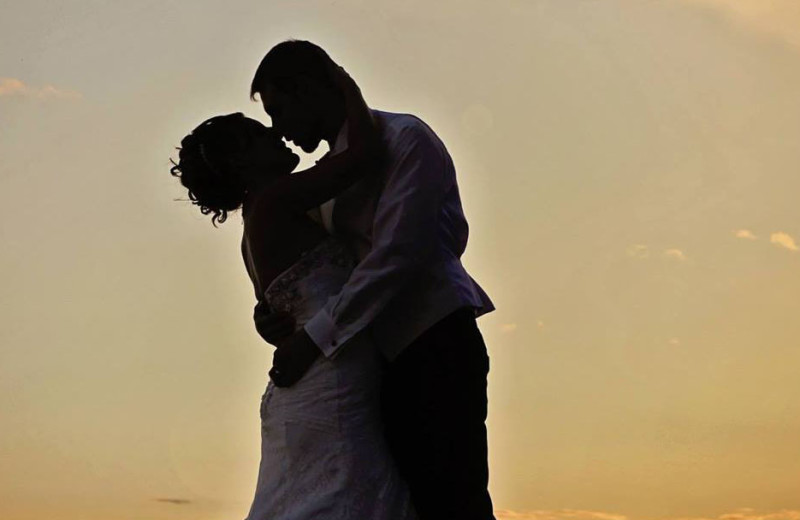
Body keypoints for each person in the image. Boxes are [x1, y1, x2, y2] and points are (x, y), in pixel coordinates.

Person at [250, 40, 497, 520]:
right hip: (367, 366)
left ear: (306, 89)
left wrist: (313, 340)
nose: (277, 129)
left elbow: (398, 256)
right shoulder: (324, 178)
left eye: (279, 110)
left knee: (453, 500)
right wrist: (276, 309)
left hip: (434, 341)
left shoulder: (406, 139)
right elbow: (318, 266)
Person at [170, 65, 417, 520]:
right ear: (243, 161)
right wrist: (342, 83)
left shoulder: (262, 217)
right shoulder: (276, 200)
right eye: (258, 133)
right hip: (329, 377)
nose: (275, 134)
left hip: (317, 375)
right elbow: (363, 156)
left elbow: (282, 302)